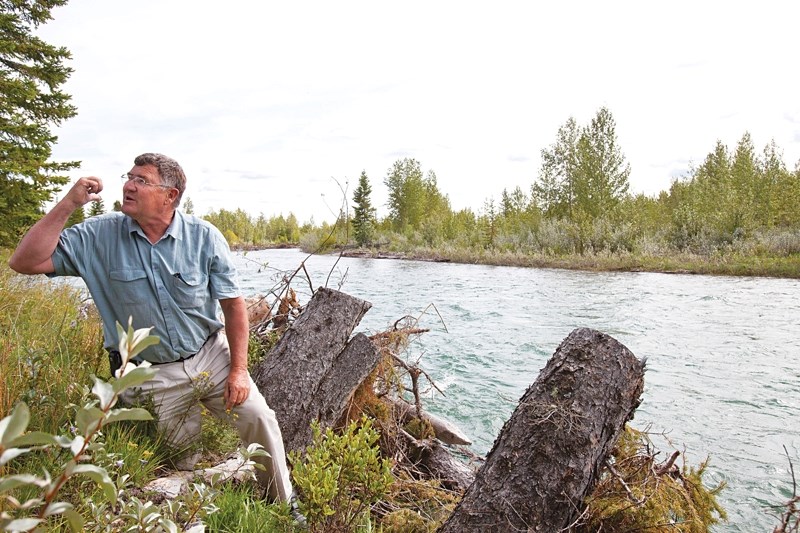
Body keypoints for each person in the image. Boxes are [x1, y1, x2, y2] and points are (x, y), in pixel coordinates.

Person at [8, 153, 296, 505]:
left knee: (259, 417)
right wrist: (69, 204)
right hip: (150, 375)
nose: (128, 185)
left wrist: (238, 369)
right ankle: (200, 514)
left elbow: (233, 307)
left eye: (141, 181)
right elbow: (24, 262)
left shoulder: (203, 236)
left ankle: (283, 506)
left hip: (210, 355)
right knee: (181, 462)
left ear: (170, 195)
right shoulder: (98, 236)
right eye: (128, 177)